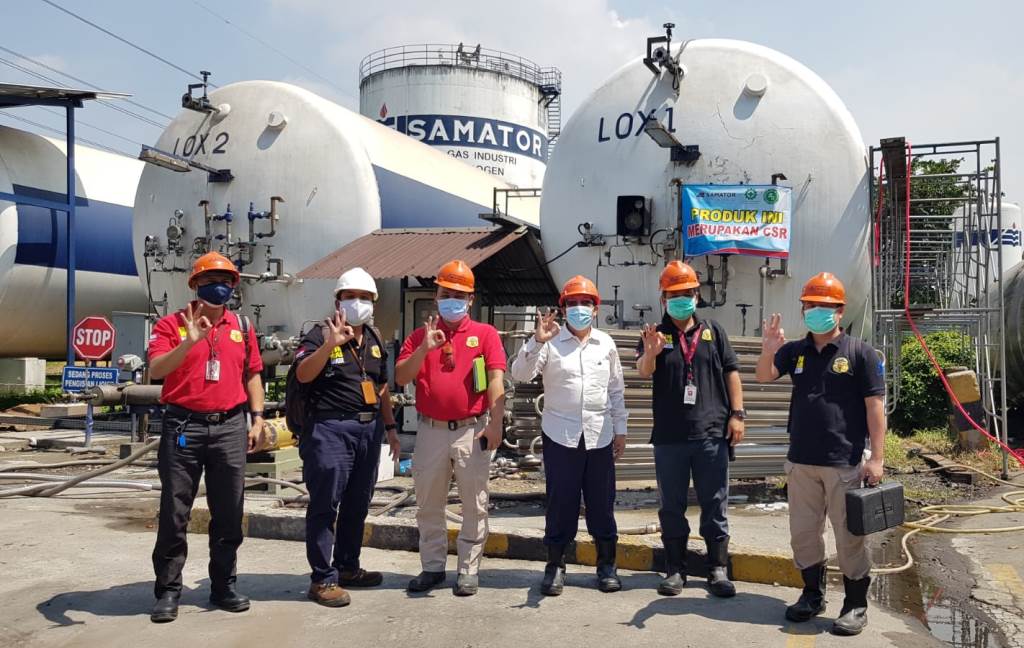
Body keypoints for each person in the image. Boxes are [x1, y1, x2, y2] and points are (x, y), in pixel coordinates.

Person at [755, 272, 886, 636]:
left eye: (825, 306)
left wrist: (876, 458)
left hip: (844, 463)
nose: (817, 311)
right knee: (804, 534)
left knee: (849, 537)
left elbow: (875, 408)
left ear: (840, 310)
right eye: (811, 305)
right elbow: (764, 376)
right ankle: (812, 595)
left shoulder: (860, 353)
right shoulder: (794, 351)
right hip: (801, 462)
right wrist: (767, 350)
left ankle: (855, 604)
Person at [147, 252, 265, 623]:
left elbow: (253, 375)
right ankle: (168, 591)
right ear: (194, 285)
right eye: (211, 278)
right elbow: (155, 370)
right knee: (175, 511)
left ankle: (223, 585)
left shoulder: (242, 326)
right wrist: (189, 341)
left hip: (230, 426)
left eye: (227, 279)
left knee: (229, 511)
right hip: (184, 426)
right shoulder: (171, 325)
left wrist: (257, 418)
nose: (221, 285)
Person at [510, 275, 627, 596]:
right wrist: (536, 341)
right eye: (572, 304)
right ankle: (556, 566)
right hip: (560, 435)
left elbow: (616, 390)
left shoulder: (606, 344)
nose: (578, 309)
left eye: (584, 303)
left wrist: (621, 430)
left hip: (600, 436)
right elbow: (519, 374)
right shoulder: (550, 343)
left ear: (595, 308)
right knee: (561, 503)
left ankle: (606, 566)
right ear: (563, 309)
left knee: (602, 503)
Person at [395, 260, 507, 596]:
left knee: (474, 502)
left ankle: (468, 570)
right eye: (447, 293)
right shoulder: (420, 336)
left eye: (459, 295)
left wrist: (497, 423)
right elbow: (401, 377)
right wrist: (425, 348)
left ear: (470, 299)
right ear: (436, 295)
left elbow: (496, 379)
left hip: (471, 428)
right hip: (430, 430)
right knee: (429, 501)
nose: (452, 300)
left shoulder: (484, 335)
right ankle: (432, 567)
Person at [293, 268, 401, 607]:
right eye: (350, 296)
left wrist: (390, 429)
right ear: (337, 300)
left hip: (367, 431)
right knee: (325, 504)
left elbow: (381, 388)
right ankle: (322, 579)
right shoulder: (317, 335)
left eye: (365, 297)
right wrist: (329, 345)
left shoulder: (374, 339)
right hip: (329, 430)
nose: (358, 303)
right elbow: (302, 373)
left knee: (358, 503)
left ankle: (348, 566)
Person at [636, 260, 744, 598]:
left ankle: (717, 569)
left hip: (712, 433)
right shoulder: (656, 334)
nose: (681, 298)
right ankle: (675, 569)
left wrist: (737, 414)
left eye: (687, 292)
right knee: (672, 505)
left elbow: (731, 373)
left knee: (715, 503)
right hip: (670, 437)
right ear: (663, 297)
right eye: (674, 293)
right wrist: (651, 354)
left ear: (697, 294)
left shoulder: (714, 330)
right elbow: (642, 371)